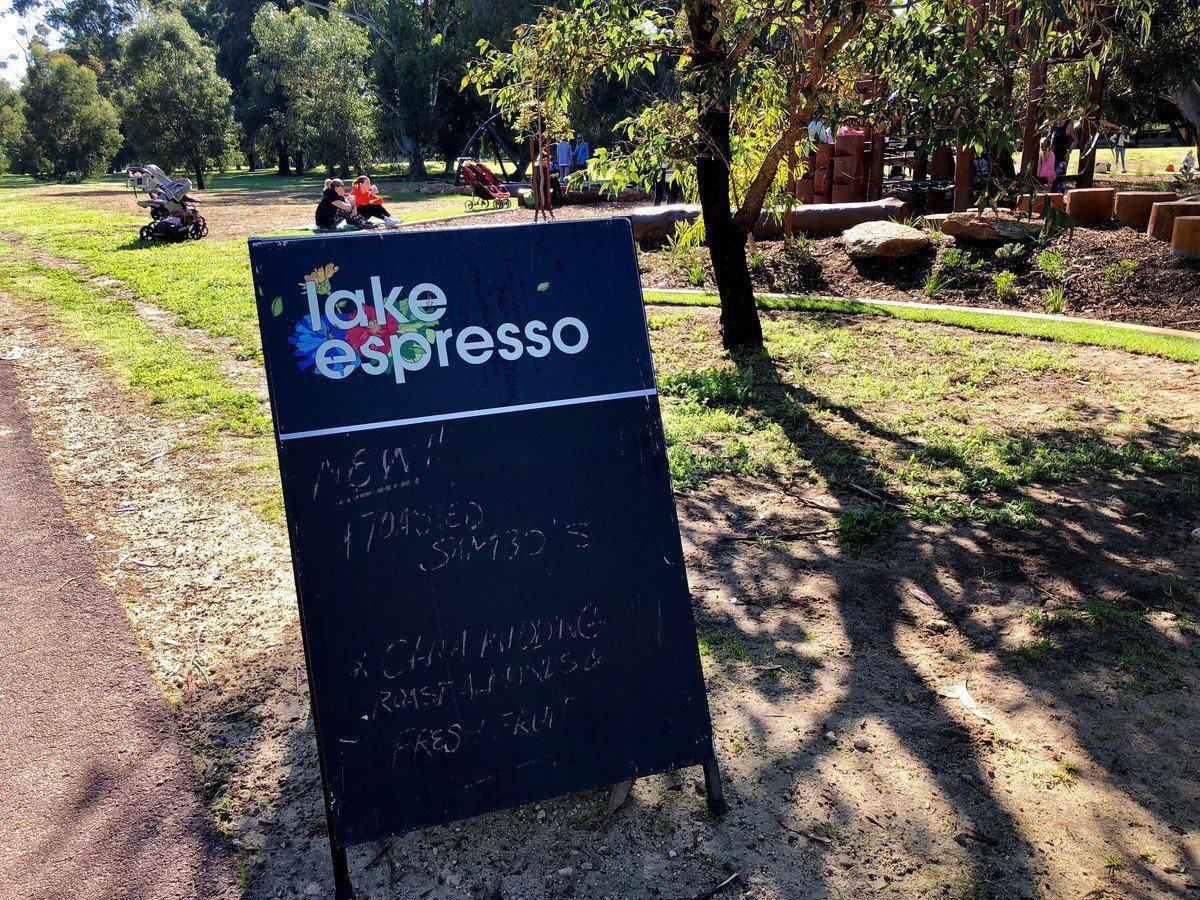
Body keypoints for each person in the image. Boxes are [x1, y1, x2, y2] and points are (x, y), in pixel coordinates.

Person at [1049, 115, 1075, 191]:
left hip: (1063, 154)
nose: (1060, 117)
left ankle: (1061, 195)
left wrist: (1069, 151)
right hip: (1053, 154)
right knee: (1052, 176)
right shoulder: (1054, 126)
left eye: (1062, 115)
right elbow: (1050, 139)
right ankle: (1052, 195)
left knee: (1061, 175)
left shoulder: (1069, 126)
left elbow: (1075, 140)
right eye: (1059, 115)